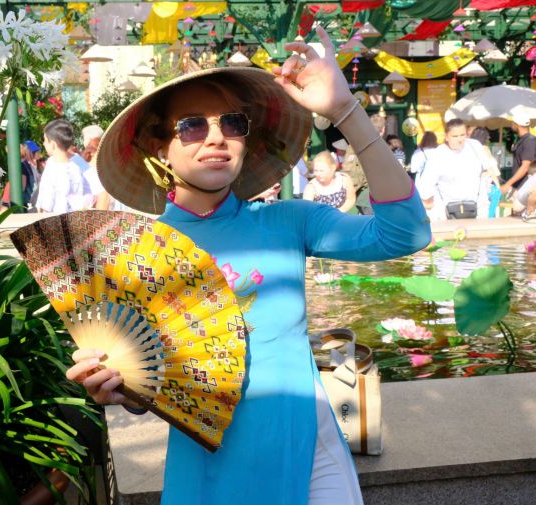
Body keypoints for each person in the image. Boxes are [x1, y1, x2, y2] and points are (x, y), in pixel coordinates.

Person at [71, 26, 430, 504]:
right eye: (191, 125)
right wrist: (116, 388)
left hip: (307, 448)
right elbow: (152, 389)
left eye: (233, 123)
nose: (216, 138)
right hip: (208, 464)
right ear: (160, 146)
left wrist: (346, 111)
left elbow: (405, 233)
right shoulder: (140, 253)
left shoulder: (288, 221)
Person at [416, 119, 491, 220]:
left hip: (477, 209)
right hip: (446, 212)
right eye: (455, 136)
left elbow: (486, 172)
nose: (459, 139)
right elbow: (426, 186)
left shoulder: (475, 146)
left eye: (462, 135)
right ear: (446, 137)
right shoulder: (438, 155)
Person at [35, 119, 93, 213]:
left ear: (53, 144)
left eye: (45, 140)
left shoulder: (52, 167)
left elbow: (46, 202)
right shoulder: (77, 165)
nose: (44, 143)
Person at [502, 116, 536, 196]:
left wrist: (508, 184)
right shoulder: (523, 139)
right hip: (520, 185)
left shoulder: (529, 140)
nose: (511, 125)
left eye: (513, 123)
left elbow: (525, 167)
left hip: (526, 187)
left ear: (517, 125)